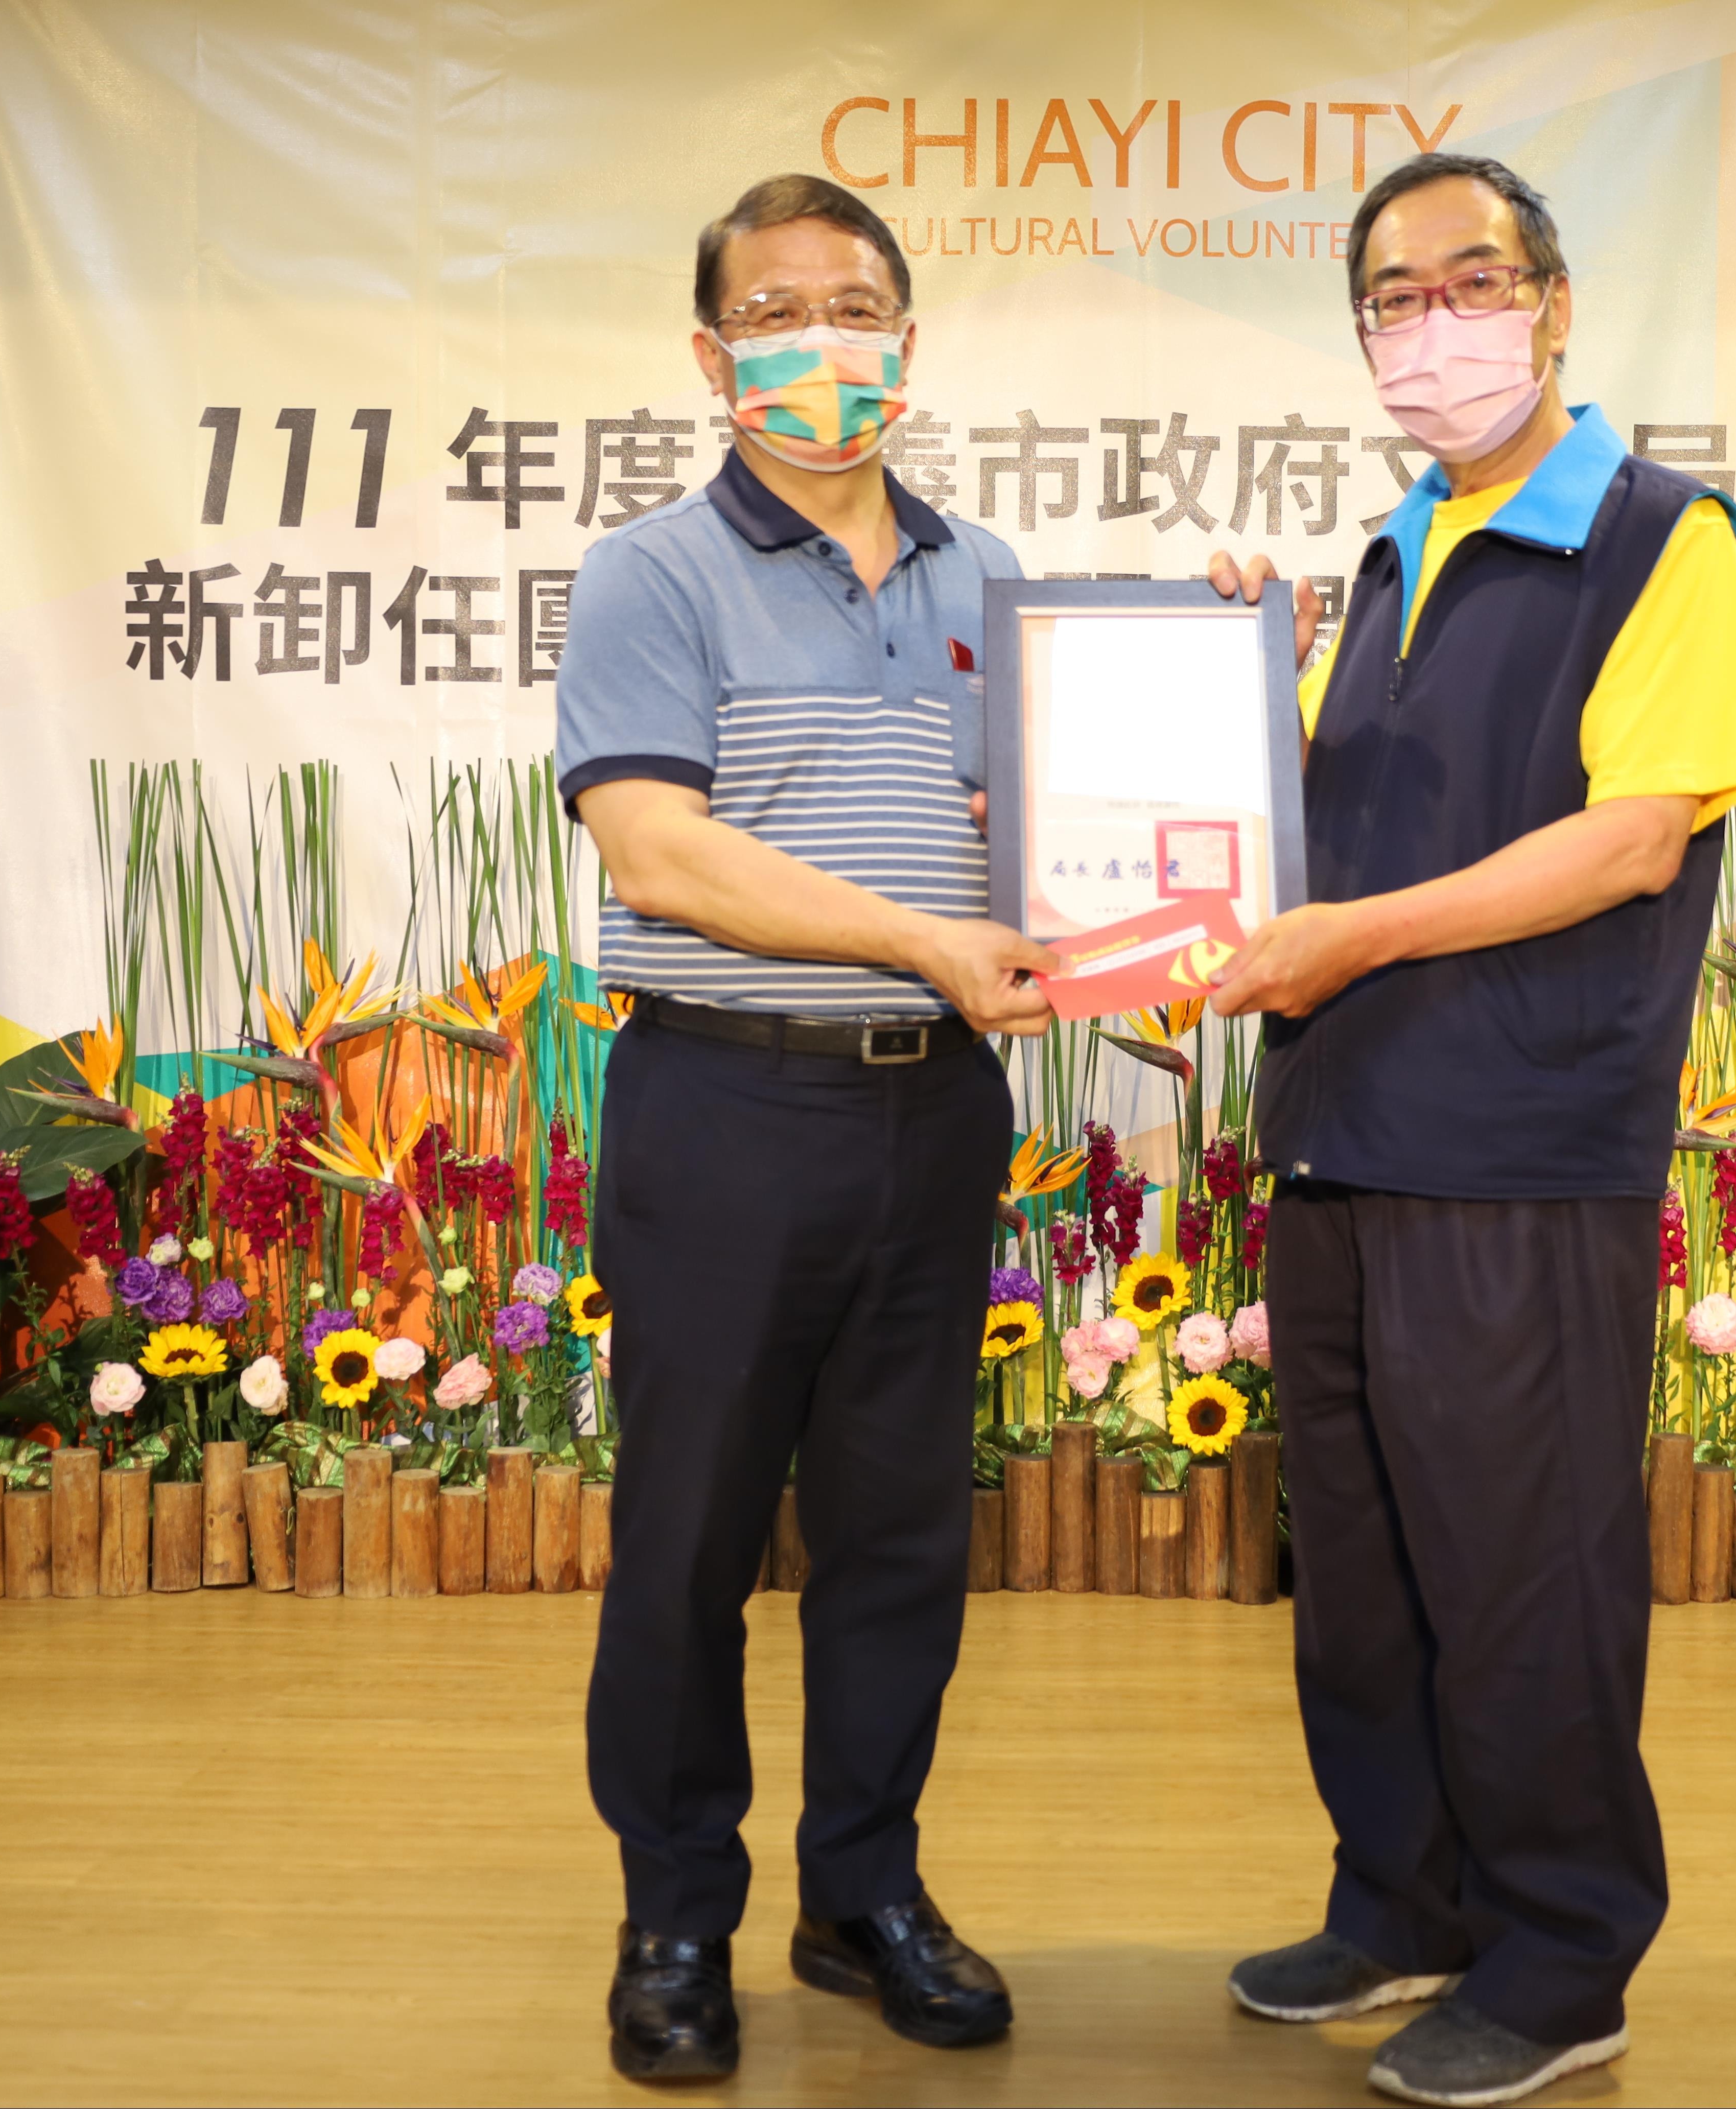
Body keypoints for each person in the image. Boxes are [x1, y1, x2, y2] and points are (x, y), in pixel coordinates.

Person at [1205, 152, 1736, 2107]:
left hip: (1521, 1146)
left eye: (1471, 280)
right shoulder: (1389, 559)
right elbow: (1288, 831)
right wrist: (1215, 688)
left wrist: (1359, 937)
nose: (1431, 324)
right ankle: (1404, 1899)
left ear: (1553, 303)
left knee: (1524, 1566)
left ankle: (1560, 1957)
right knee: (1366, 1565)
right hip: (1342, 1134)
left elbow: (1633, 841)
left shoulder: (1658, 538)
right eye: (1392, 296)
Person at [556, 172, 1053, 2085]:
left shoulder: (989, 576)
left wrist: (1230, 671)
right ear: (712, 358)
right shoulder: (653, 575)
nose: (818, 343)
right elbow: (661, 856)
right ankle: (675, 1913)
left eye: (852, 307)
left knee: (901, 1536)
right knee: (687, 1539)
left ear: (907, 344)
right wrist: (920, 936)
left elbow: (1059, 830)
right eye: (774, 315)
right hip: (728, 1105)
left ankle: (863, 1894)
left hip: (935, 1114)